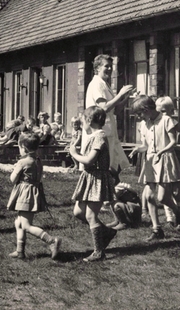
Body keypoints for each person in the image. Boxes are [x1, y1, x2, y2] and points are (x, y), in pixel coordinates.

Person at [131, 95, 180, 241]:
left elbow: (173, 142)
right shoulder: (146, 124)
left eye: (140, 114)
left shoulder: (167, 120)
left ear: (147, 109)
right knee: (149, 196)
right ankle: (157, 229)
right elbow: (146, 145)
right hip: (151, 160)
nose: (139, 117)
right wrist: (138, 149)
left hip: (165, 160)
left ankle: (178, 211)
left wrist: (161, 151)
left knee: (162, 198)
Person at [69, 106, 117, 262]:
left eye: (83, 120)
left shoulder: (99, 137)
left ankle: (99, 251)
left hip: (97, 180)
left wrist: (74, 154)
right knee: (78, 212)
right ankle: (107, 232)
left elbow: (90, 160)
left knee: (90, 215)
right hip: (89, 178)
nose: (82, 123)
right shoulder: (93, 136)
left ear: (89, 120)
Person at [6, 132, 61, 260]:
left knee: (25, 225)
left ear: (23, 148)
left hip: (25, 195)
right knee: (18, 222)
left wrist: (15, 169)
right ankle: (20, 251)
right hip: (33, 192)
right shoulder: (37, 161)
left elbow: (12, 179)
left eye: (19, 147)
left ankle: (51, 240)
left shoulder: (22, 162)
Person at [83, 54, 134, 178]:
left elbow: (115, 110)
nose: (110, 69)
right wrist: (120, 93)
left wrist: (126, 97)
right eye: (107, 66)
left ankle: (114, 192)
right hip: (100, 131)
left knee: (115, 165)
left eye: (111, 66)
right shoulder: (96, 84)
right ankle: (111, 192)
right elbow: (104, 107)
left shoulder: (105, 84)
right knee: (106, 168)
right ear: (97, 68)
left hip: (109, 130)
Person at [156, 96, 180, 227]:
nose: (162, 114)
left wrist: (171, 146)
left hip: (177, 162)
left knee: (176, 192)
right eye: (159, 111)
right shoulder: (159, 125)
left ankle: (179, 208)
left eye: (164, 111)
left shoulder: (179, 127)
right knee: (165, 191)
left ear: (172, 111)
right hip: (164, 161)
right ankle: (169, 217)